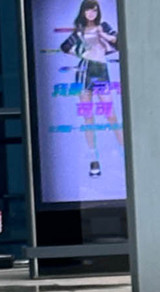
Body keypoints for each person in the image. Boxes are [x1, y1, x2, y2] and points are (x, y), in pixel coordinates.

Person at [57, 0, 119, 178]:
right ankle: (94, 160)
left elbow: (118, 41)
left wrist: (103, 36)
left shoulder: (104, 26)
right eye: (88, 10)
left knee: (110, 114)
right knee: (88, 117)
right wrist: (81, 53)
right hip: (84, 72)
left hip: (101, 71)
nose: (91, 13)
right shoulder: (79, 30)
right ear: (83, 12)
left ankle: (123, 152)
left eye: (94, 10)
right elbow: (65, 46)